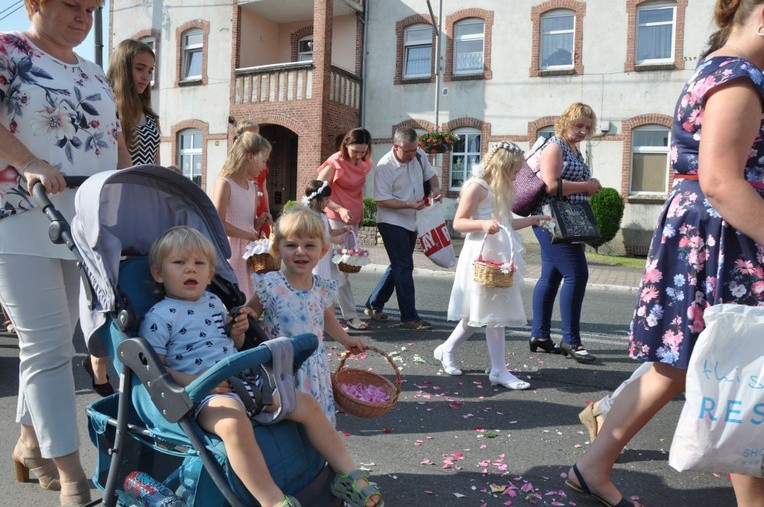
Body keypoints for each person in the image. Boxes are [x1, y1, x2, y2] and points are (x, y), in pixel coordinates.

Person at [566, 3, 764, 506]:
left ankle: (592, 466)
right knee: (739, 362)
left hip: (708, 233)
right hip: (725, 237)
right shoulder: (739, 79)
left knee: (698, 364)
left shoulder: (720, 68)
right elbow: (721, 180)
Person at [140, 226, 383, 507]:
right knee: (233, 423)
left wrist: (237, 332)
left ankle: (349, 475)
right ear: (159, 274)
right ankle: (272, 500)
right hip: (203, 392)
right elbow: (156, 371)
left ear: (210, 274)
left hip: (243, 378)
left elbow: (235, 344)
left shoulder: (215, 303)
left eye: (199, 264)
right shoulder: (158, 316)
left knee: (305, 404)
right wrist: (194, 381)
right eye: (179, 263)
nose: (190, 270)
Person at [0, 1, 131, 505]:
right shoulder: (9, 50)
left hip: (83, 223)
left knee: (52, 342)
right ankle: (73, 475)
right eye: (72, 5)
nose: (83, 17)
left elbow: (113, 141)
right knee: (47, 345)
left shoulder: (94, 71)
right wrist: (29, 160)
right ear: (35, 4)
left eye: (92, 9)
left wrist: (134, 189)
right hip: (20, 217)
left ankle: (30, 443)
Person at [434, 142, 549, 389]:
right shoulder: (478, 186)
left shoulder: (499, 188)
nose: (516, 175)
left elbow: (506, 224)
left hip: (499, 255)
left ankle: (446, 349)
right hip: (481, 254)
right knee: (491, 315)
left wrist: (533, 220)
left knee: (479, 312)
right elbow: (458, 223)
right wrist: (482, 224)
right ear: (501, 166)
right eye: (514, 170)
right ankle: (499, 371)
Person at [244, 205, 369, 427]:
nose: (300, 251)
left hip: (315, 367)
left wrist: (346, 340)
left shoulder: (321, 287)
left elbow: (327, 318)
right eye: (291, 245)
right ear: (277, 249)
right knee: (290, 423)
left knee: (318, 419)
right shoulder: (270, 284)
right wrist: (246, 314)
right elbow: (251, 313)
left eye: (309, 245)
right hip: (282, 368)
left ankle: (317, 458)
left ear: (322, 251)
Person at [530, 102, 602, 364]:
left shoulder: (574, 149)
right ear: (565, 122)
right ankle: (571, 340)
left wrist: (587, 186)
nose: (583, 131)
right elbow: (550, 186)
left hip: (566, 220)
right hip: (552, 220)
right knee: (577, 274)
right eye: (578, 125)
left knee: (550, 276)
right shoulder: (555, 146)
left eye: (587, 127)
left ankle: (540, 336)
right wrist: (588, 185)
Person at [365, 126, 441, 330]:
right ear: (395, 146)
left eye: (414, 150)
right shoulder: (384, 166)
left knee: (399, 265)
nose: (412, 154)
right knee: (405, 266)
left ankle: (374, 304)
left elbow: (430, 175)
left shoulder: (418, 154)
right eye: (407, 151)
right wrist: (409, 204)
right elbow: (381, 200)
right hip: (391, 220)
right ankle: (409, 317)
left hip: (411, 219)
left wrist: (435, 190)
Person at [317, 128, 373, 330]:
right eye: (355, 151)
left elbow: (358, 191)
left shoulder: (365, 163)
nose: (358, 156)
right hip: (336, 219)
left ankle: (334, 315)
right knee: (337, 269)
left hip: (353, 218)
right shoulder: (335, 163)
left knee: (345, 269)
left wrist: (361, 213)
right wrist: (339, 208)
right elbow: (316, 191)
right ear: (346, 145)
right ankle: (347, 315)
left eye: (362, 152)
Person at [212, 131, 272, 299]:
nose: (264, 167)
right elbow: (219, 224)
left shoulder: (253, 187)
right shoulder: (225, 184)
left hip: (249, 253)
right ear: (250, 156)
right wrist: (248, 235)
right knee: (233, 299)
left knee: (249, 298)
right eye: (263, 160)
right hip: (230, 251)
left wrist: (259, 222)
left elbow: (248, 222)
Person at [106, 39, 160, 166]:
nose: (146, 77)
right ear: (122, 69)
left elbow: (157, 163)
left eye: (150, 71)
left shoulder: (150, 115)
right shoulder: (108, 109)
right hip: (118, 183)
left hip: (149, 184)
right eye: (140, 68)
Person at [301, 180, 349, 281]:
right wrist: (332, 240)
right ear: (317, 200)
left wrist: (343, 229)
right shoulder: (311, 216)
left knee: (325, 280)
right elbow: (315, 237)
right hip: (316, 254)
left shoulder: (323, 215)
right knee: (316, 278)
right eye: (326, 199)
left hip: (325, 255)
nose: (328, 202)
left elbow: (330, 232)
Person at [235, 120, 273, 237]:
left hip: (259, 203)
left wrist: (267, 210)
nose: (257, 139)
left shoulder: (261, 162)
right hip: (247, 202)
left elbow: (264, 187)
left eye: (258, 135)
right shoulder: (240, 162)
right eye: (253, 135)